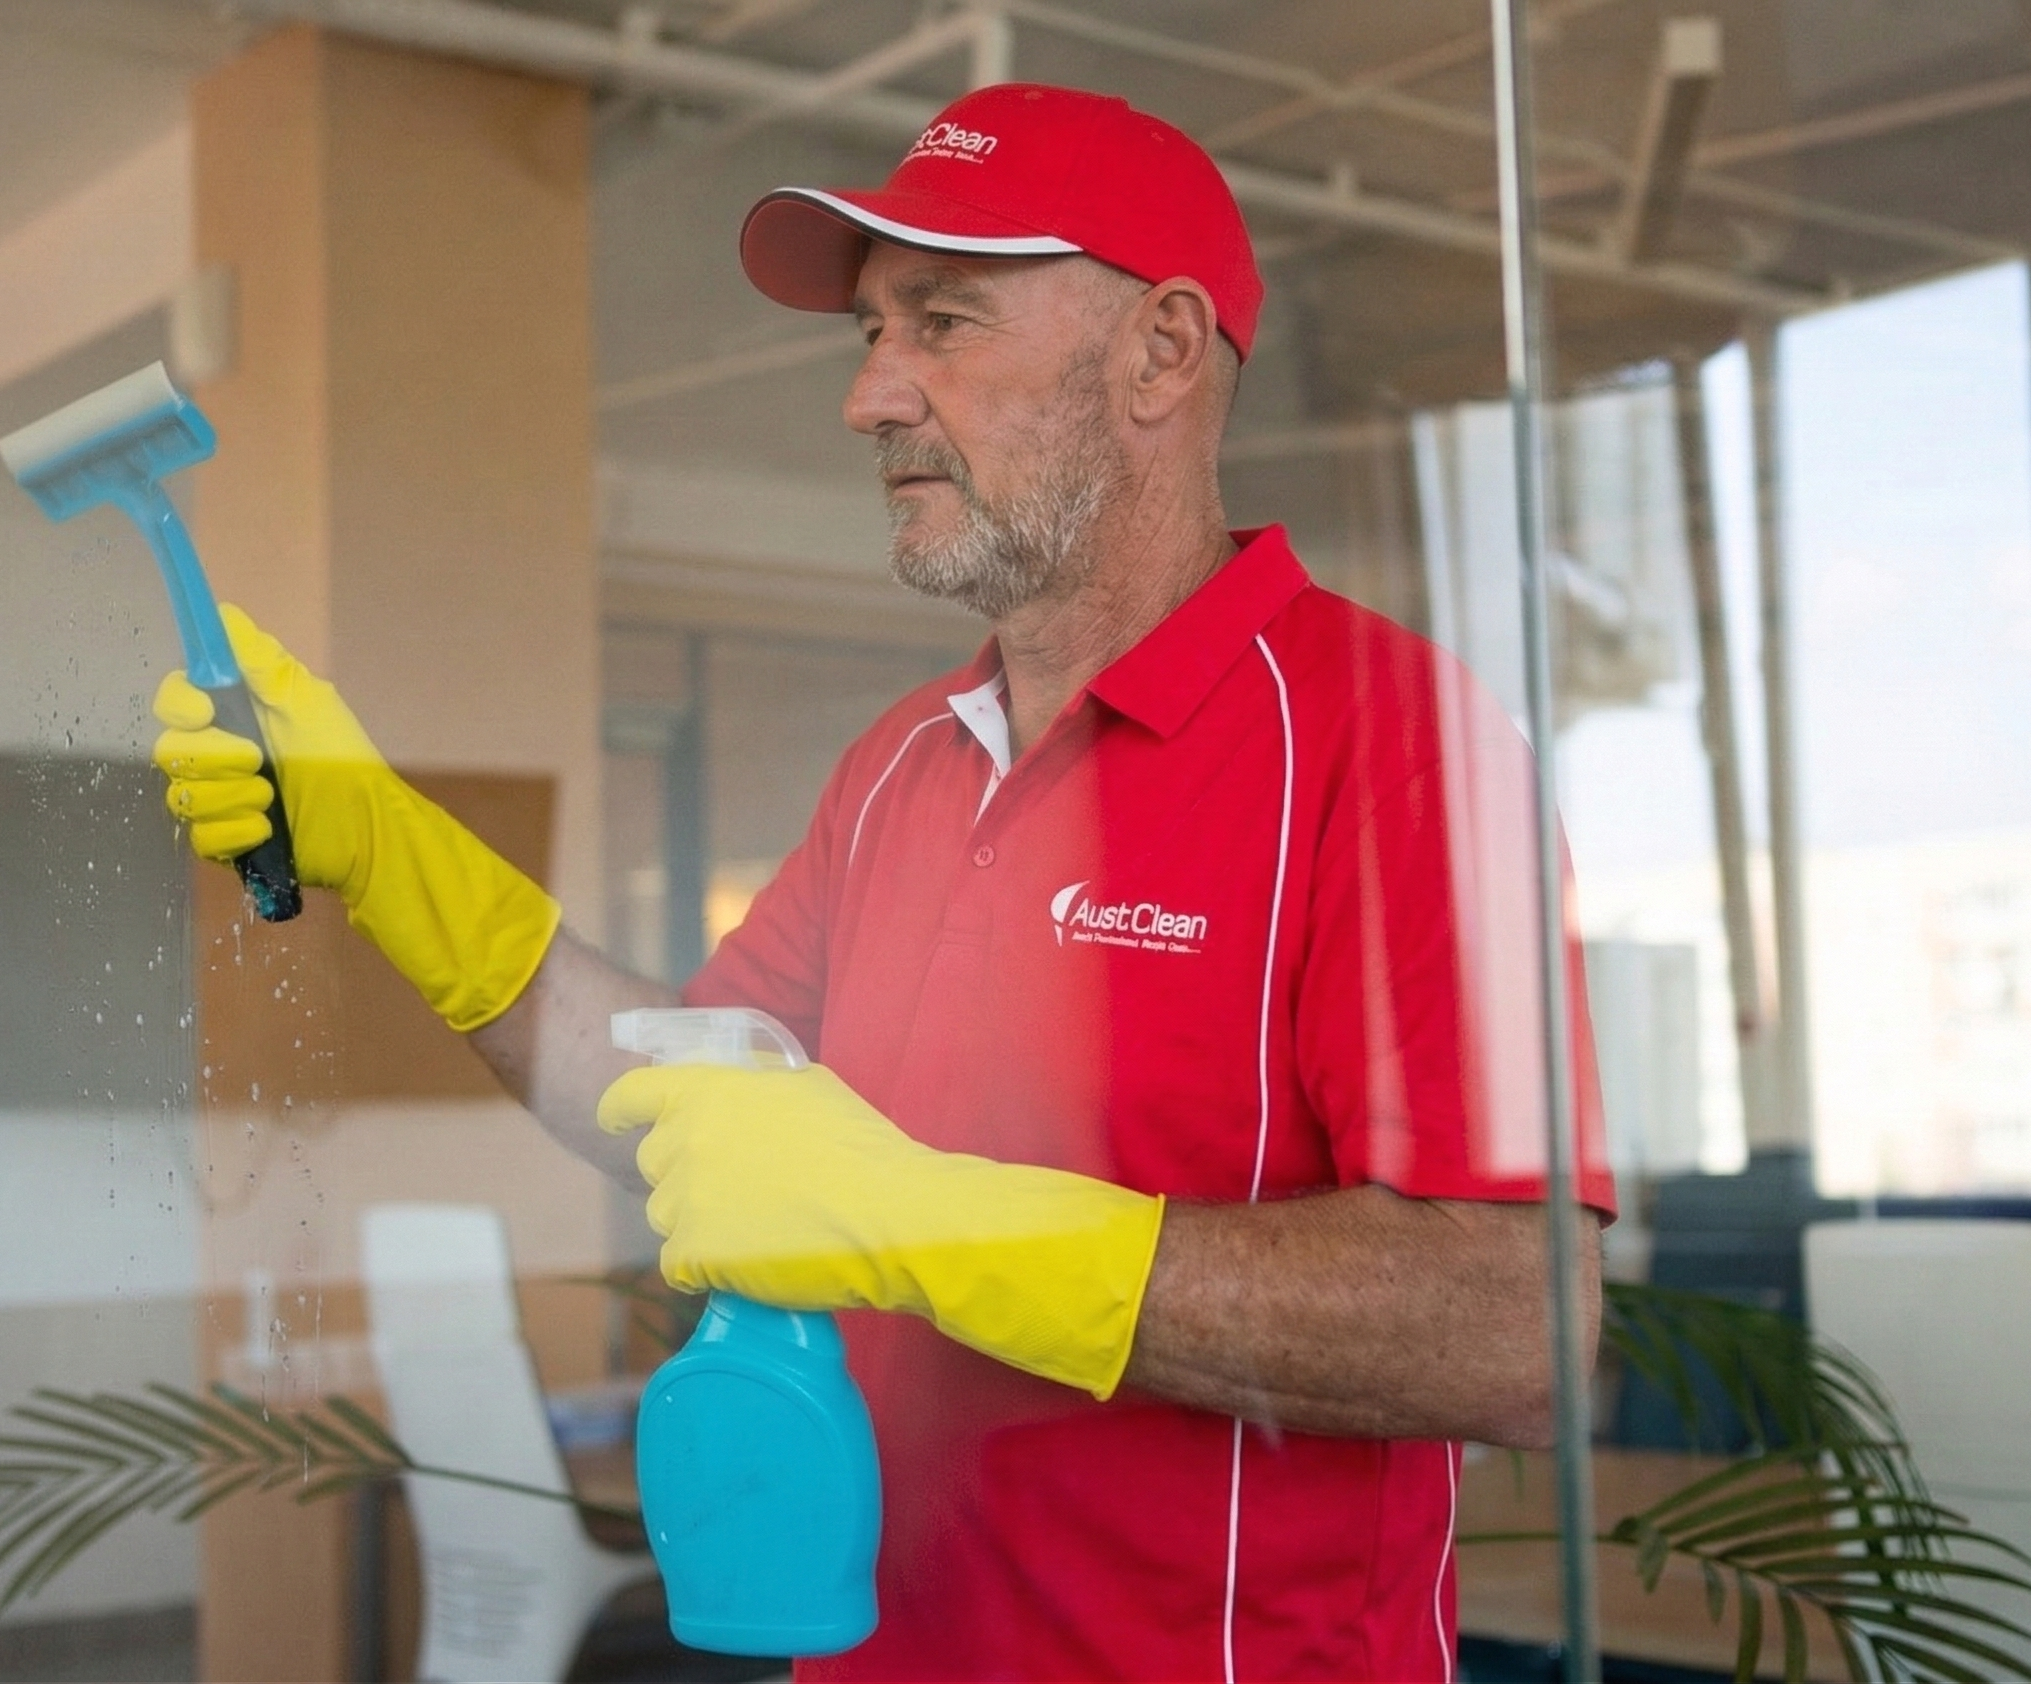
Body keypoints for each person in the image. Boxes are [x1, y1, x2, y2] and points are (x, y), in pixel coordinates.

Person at [154, 82, 1613, 1683]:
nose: (870, 397)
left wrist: (923, 1225)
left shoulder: (1393, 745)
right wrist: (395, 852)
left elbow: (1510, 1326)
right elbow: (674, 1099)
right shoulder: (904, 764)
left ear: (1163, 352)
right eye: (868, 334)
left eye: (943, 322)